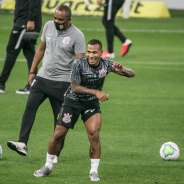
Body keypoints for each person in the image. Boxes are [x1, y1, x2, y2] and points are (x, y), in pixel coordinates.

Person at [33, 39, 135, 181]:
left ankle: (93, 171)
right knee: (58, 134)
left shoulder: (106, 64)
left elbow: (132, 74)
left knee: (94, 134)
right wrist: (96, 92)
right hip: (72, 101)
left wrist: (123, 70)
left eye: (94, 52)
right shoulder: (78, 63)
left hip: (90, 104)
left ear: (101, 53)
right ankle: (48, 166)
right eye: (89, 52)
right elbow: (75, 87)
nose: (91, 55)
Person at [7, 4, 85, 163]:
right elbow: (41, 49)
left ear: (69, 19)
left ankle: (55, 153)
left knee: (60, 121)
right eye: (55, 18)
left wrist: (73, 86)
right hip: (42, 78)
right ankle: (22, 142)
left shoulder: (77, 35)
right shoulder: (49, 26)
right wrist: (32, 70)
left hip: (62, 83)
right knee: (30, 107)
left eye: (61, 19)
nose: (57, 21)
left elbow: (79, 63)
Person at [0, 0, 42, 94]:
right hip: (27, 21)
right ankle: (32, 85)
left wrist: (30, 19)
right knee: (29, 52)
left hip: (25, 22)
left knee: (12, 51)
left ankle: (1, 83)